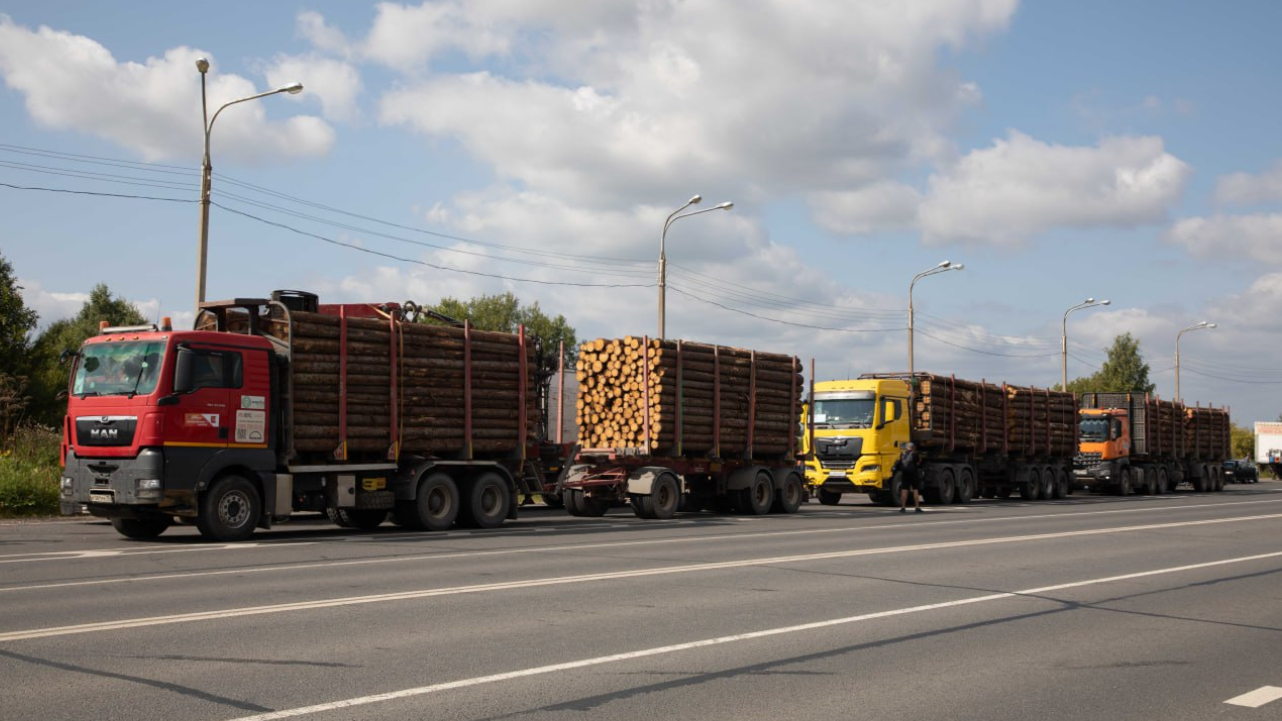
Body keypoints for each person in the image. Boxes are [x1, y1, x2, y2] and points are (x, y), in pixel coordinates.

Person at [894, 442, 923, 513]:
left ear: (906, 447)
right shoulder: (915, 454)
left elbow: (900, 463)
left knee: (904, 490)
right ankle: (917, 507)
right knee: (915, 490)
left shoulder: (902, 454)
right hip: (913, 474)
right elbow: (919, 462)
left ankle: (903, 507)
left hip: (904, 474)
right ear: (913, 447)